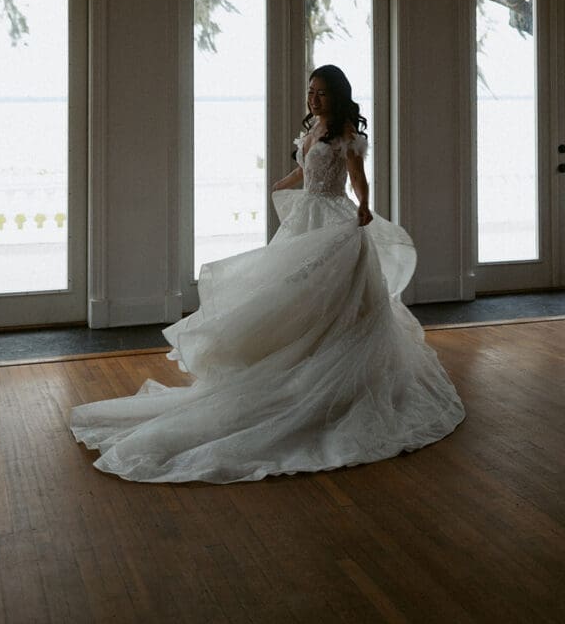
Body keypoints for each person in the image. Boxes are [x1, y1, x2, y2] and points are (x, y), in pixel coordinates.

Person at [71, 65, 465, 483]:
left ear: (338, 95)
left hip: (333, 222)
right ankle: (296, 368)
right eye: (310, 92)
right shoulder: (314, 126)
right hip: (305, 217)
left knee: (330, 298)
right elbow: (308, 170)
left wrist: (365, 205)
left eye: (322, 94)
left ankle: (332, 382)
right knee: (293, 295)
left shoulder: (346, 130)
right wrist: (286, 180)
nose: (313, 99)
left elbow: (356, 177)